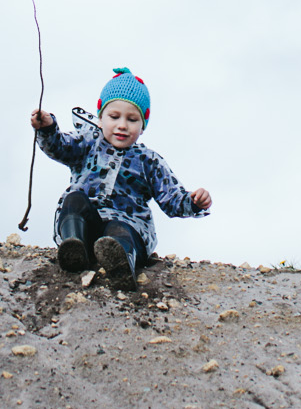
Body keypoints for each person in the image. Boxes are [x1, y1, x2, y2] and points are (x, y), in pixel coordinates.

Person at [30, 67, 210, 286]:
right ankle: (74, 246)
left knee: (119, 230)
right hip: (89, 221)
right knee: (74, 200)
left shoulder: (148, 161)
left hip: (128, 225)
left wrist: (193, 202)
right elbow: (60, 147)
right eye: (114, 117)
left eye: (132, 119)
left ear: (143, 125)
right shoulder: (87, 144)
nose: (122, 125)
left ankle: (121, 262)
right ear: (100, 117)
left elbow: (171, 198)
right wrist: (48, 129)